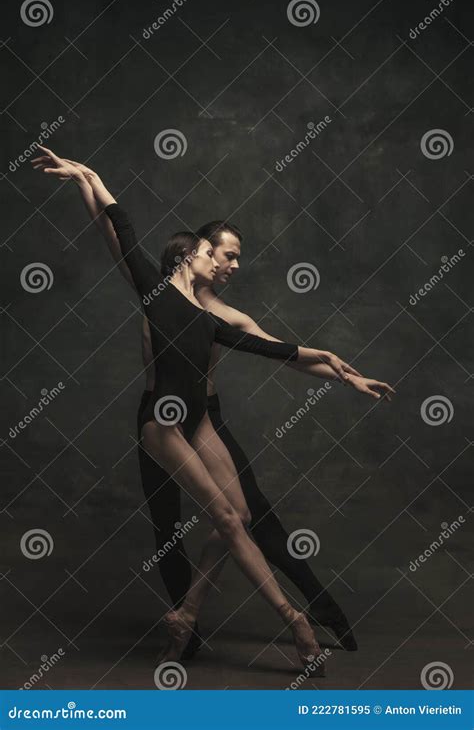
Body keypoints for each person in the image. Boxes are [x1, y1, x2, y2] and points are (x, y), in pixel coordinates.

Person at [33, 147, 395, 671]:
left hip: (200, 419)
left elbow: (279, 351)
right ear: (190, 257)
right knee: (207, 520)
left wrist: (343, 369)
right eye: (217, 253)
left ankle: (188, 614)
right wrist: (86, 175)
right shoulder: (153, 292)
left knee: (240, 516)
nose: (225, 263)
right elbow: (119, 228)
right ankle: (294, 620)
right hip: (162, 422)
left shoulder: (215, 321)